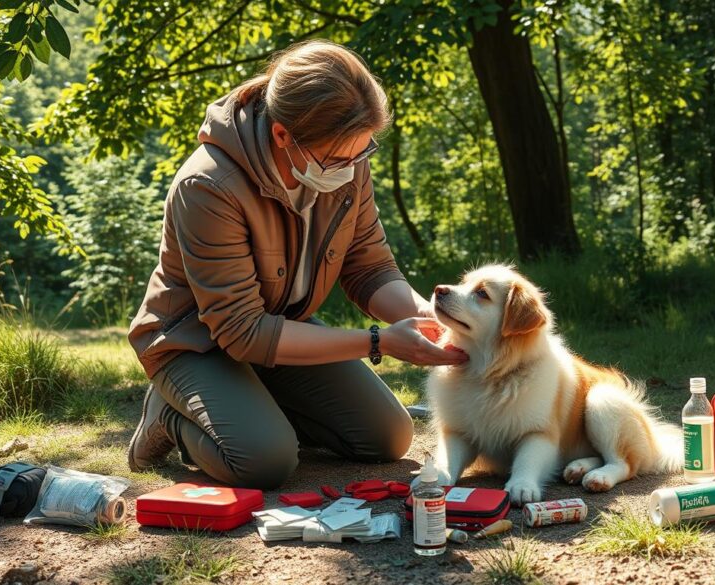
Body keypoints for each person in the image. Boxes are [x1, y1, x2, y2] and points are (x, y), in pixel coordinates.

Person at [126, 40, 467, 489]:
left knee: (388, 436)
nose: (352, 168)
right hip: (194, 342)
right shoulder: (208, 185)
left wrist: (427, 316)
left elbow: (370, 267)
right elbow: (241, 331)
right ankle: (168, 416)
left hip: (283, 331)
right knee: (264, 461)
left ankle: (251, 407)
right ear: (283, 135)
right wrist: (378, 342)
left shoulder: (346, 159)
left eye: (362, 154)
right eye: (339, 158)